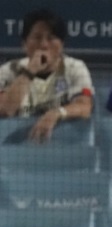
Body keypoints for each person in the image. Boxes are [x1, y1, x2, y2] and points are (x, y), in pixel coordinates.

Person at [0, 8, 93, 142]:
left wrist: (56, 113)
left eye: (51, 38)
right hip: (15, 146)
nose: (43, 45)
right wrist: (29, 72)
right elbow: (5, 110)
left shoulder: (75, 68)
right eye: (37, 37)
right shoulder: (8, 70)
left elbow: (85, 107)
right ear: (24, 44)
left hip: (62, 144)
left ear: (61, 44)